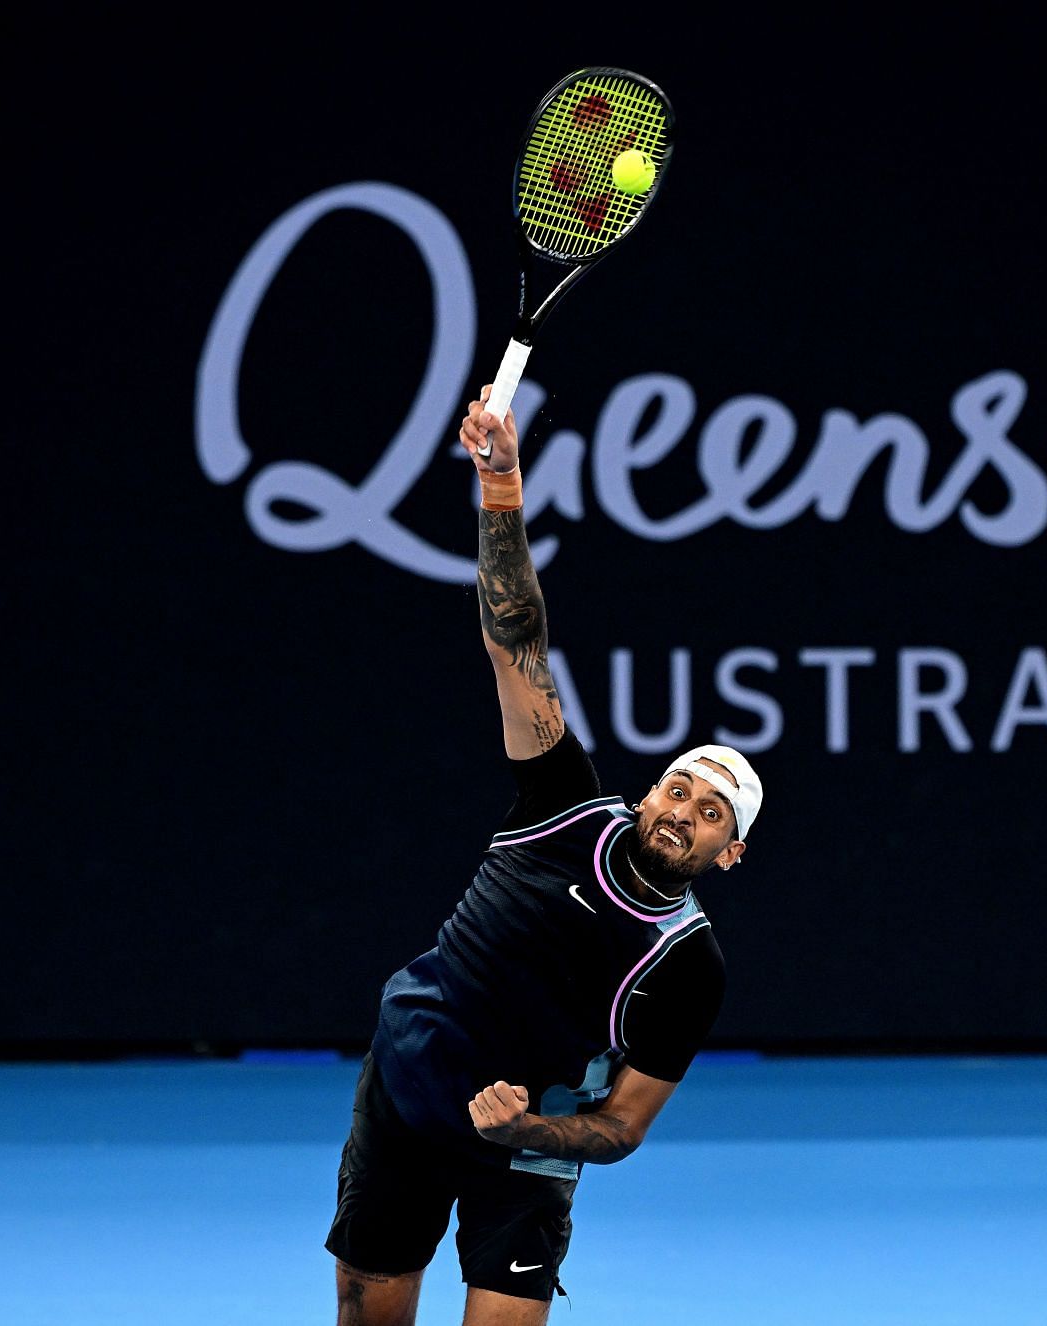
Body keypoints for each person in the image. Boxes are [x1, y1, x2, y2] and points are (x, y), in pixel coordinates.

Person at [325, 387, 761, 1326]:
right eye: (680, 787)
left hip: (528, 1138)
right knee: (368, 1310)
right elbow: (514, 635)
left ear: (729, 854)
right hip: (412, 1075)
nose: (686, 810)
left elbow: (623, 1124)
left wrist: (529, 1127)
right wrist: (501, 485)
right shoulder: (565, 801)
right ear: (649, 792)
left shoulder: (691, 964)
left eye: (714, 813)